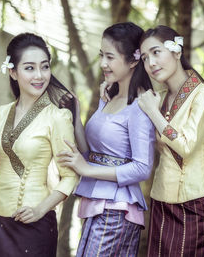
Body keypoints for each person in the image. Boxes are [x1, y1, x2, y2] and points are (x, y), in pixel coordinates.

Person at [56, 22, 156, 257]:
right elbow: (92, 151)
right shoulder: (109, 97)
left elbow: (142, 168)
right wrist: (75, 114)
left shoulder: (140, 106)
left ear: (133, 60)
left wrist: (87, 170)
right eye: (102, 55)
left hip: (117, 210)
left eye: (110, 57)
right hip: (97, 204)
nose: (103, 63)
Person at [0, 33, 79, 257]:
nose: (40, 75)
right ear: (12, 72)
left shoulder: (58, 117)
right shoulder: (1, 113)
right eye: (30, 68)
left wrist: (40, 210)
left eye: (44, 67)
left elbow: (71, 176)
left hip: (35, 221)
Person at [137, 25, 204, 256]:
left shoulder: (203, 95)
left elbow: (186, 146)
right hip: (160, 203)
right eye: (145, 58)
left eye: (156, 52)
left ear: (176, 52)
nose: (151, 63)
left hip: (195, 204)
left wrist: (154, 114)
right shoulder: (158, 98)